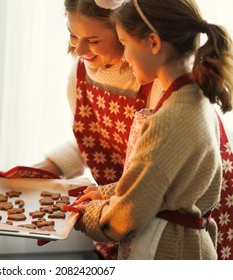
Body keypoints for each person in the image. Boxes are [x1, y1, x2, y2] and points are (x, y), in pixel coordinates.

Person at [72, 0, 233, 259]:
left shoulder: (169, 120)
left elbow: (128, 214)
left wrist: (84, 215)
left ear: (153, 44)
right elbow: (164, 183)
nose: (123, 56)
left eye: (125, 44)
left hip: (169, 251)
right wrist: (105, 192)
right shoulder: (194, 97)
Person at [32, 0, 162, 259]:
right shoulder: (80, 73)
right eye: (73, 35)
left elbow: (159, 171)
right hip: (117, 203)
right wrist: (51, 166)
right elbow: (94, 139)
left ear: (126, 34)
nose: (79, 49)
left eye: (93, 39)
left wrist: (106, 196)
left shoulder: (154, 81)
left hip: (158, 204)